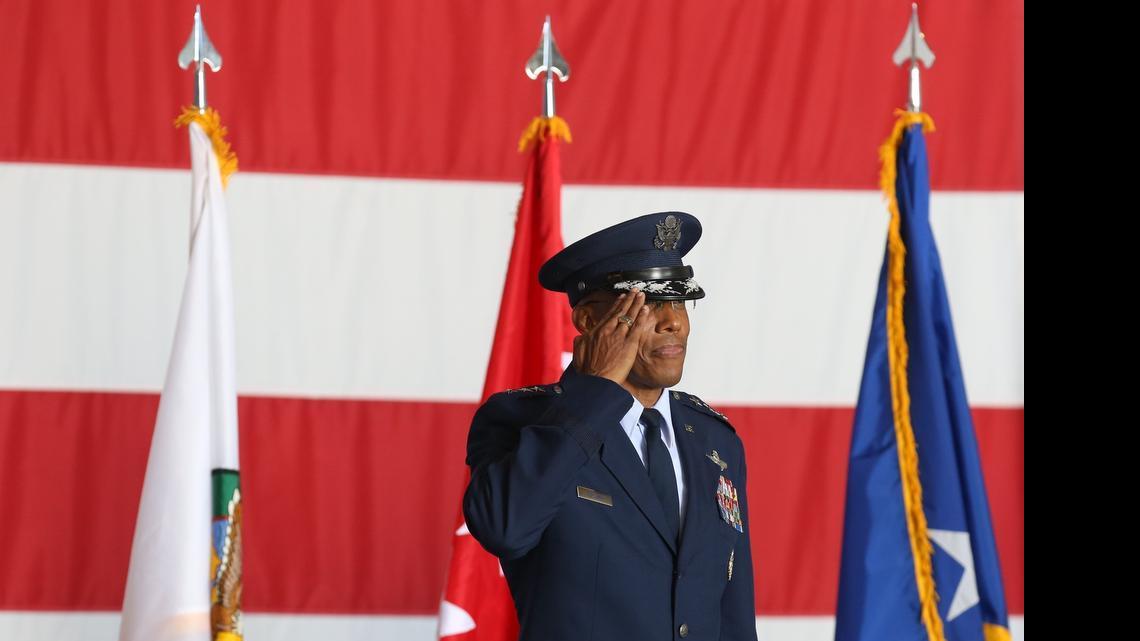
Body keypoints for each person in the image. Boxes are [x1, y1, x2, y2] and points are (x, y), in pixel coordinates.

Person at [463, 212, 757, 641]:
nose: (672, 321)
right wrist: (595, 390)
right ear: (587, 321)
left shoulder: (715, 441)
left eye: (679, 301)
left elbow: (734, 616)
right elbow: (505, 528)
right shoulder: (521, 422)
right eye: (648, 304)